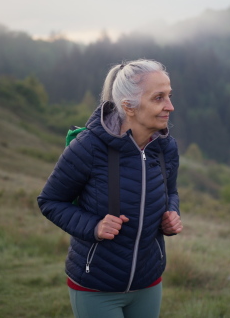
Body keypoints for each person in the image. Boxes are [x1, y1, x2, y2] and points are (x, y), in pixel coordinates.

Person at [37, 59, 182, 318]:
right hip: (96, 286)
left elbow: (171, 192)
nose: (169, 106)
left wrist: (171, 214)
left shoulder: (166, 147)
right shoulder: (88, 147)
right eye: (158, 98)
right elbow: (50, 201)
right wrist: (94, 227)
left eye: (169, 96)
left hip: (148, 282)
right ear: (129, 106)